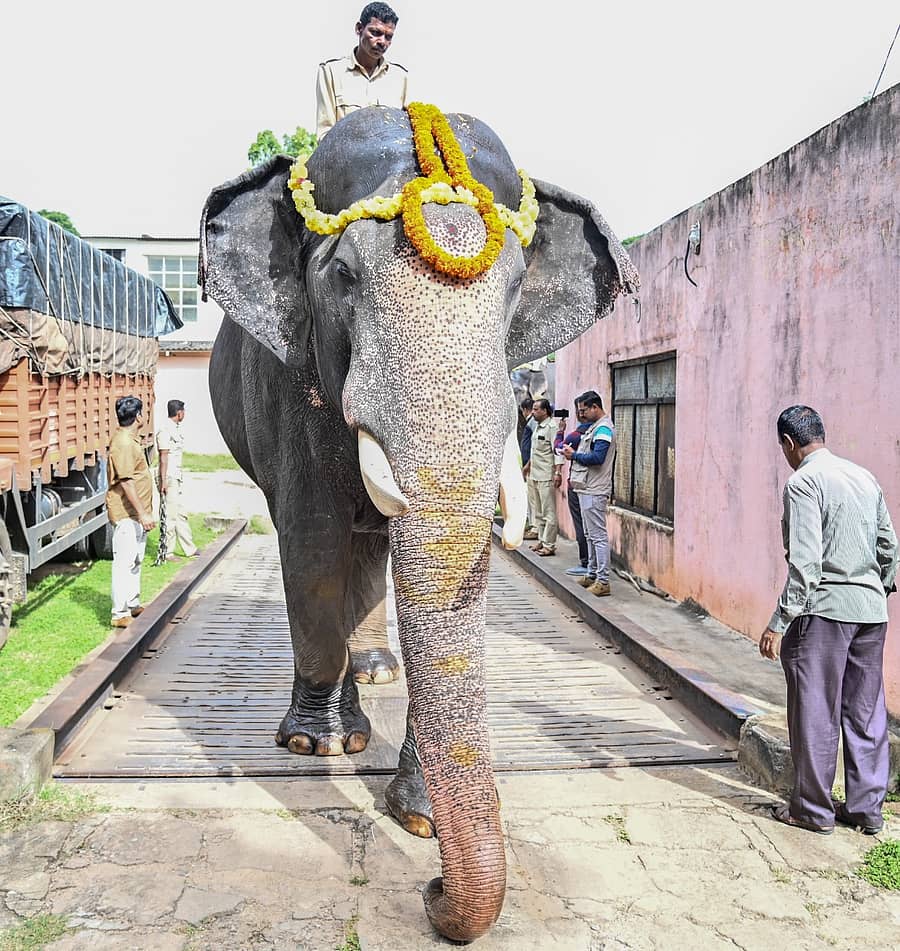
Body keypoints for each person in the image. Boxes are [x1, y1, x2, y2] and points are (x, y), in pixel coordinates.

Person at [760, 405, 898, 836]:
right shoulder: (863, 476)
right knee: (865, 712)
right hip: (871, 613)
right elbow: (888, 548)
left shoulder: (803, 483)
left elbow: (805, 564)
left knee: (815, 713)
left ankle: (813, 811)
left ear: (788, 443)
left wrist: (779, 622)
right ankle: (865, 809)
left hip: (823, 614)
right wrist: (878, 589)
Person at [316, 3, 409, 140]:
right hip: (344, 158)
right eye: (375, 33)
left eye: (388, 37)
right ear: (359, 28)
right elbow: (325, 134)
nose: (382, 42)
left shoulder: (401, 77)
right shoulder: (331, 72)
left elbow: (408, 133)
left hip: (389, 159)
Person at [107, 396, 155, 628]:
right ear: (138, 416)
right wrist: (143, 513)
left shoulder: (130, 440)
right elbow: (126, 481)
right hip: (127, 513)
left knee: (135, 559)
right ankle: (119, 613)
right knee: (124, 561)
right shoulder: (124, 443)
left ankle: (133, 602)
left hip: (137, 514)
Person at [562, 394, 616, 597]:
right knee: (590, 535)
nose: (581, 415)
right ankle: (592, 573)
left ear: (595, 407)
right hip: (586, 487)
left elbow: (597, 458)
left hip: (595, 489)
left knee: (598, 536)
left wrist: (573, 455)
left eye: (584, 410)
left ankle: (603, 580)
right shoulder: (594, 428)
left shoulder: (603, 429)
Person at [554, 391, 600, 576]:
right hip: (592, 484)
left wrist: (560, 431)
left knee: (584, 526)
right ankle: (593, 565)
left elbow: (558, 448)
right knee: (592, 529)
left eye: (582, 410)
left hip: (580, 484)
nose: (581, 413)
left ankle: (587, 562)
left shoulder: (577, 434)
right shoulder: (598, 430)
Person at [156, 399, 198, 560]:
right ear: (179, 412)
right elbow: (163, 457)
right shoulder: (165, 430)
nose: (184, 414)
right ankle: (168, 552)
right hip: (169, 477)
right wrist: (164, 480)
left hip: (176, 476)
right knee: (171, 516)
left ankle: (190, 548)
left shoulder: (175, 428)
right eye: (183, 411)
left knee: (181, 514)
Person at [523, 399, 564, 556]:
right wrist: (528, 466)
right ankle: (541, 539)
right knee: (538, 511)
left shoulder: (552, 427)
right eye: (532, 409)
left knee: (548, 512)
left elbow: (557, 451)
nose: (532, 412)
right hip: (534, 474)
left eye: (535, 409)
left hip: (546, 475)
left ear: (545, 411)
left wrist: (558, 472)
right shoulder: (538, 427)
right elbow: (537, 451)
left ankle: (549, 544)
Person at [519, 398, 539, 541]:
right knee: (531, 498)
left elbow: (535, 446)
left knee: (533, 500)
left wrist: (527, 465)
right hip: (530, 465)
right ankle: (532, 525)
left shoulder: (533, 422)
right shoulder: (533, 422)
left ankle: (535, 527)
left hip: (533, 466)